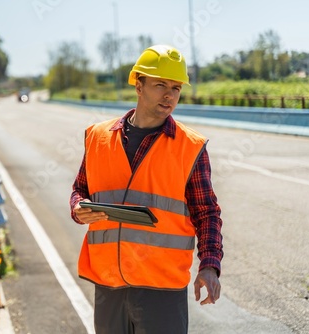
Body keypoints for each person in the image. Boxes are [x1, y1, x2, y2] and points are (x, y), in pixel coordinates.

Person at [69, 44, 224, 334]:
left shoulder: (190, 147)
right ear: (138, 85)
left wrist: (209, 265)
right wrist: (78, 208)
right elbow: (80, 189)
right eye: (160, 84)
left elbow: (207, 213)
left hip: (161, 289)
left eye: (176, 88)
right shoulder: (98, 138)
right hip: (109, 284)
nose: (169, 95)